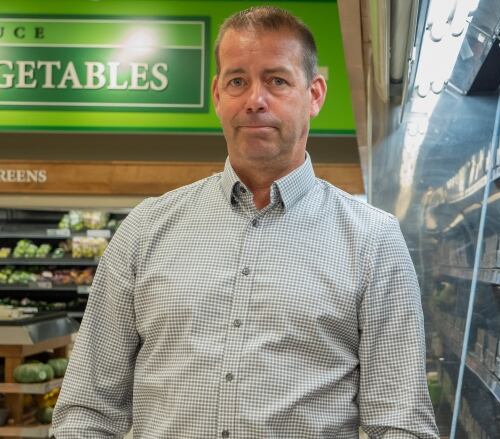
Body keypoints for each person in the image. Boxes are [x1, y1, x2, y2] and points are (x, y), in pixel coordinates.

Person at [52, 6, 438, 438]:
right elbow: (87, 409)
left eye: (277, 80)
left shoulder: (373, 241)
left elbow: (401, 424)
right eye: (238, 81)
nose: (255, 100)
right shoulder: (145, 230)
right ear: (217, 95)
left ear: (314, 95)